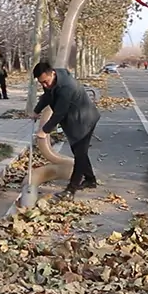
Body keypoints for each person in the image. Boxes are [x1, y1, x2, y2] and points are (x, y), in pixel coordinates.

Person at [31, 61, 100, 200]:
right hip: (73, 120)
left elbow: (59, 113)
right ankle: (91, 180)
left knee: (80, 154)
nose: (45, 85)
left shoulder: (67, 86)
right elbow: (47, 97)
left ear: (52, 73)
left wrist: (45, 130)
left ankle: (71, 190)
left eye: (46, 81)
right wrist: (36, 110)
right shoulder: (52, 81)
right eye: (41, 83)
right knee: (78, 152)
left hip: (84, 120)